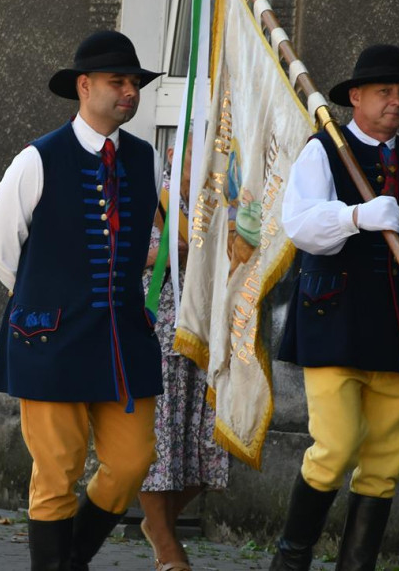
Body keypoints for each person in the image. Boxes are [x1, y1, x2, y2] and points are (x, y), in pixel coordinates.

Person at [270, 44, 399, 571]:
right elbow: (298, 225)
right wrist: (356, 217)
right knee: (335, 448)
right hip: (333, 323)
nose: (396, 102)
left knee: (385, 462)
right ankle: (291, 559)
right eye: (385, 92)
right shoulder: (323, 151)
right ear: (356, 98)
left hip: (395, 330)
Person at [0, 30, 164, 571]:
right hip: (50, 339)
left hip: (122, 341)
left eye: (134, 82)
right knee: (57, 471)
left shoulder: (144, 159)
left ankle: (72, 558)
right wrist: (46, 300)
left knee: (133, 462)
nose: (129, 91)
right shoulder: (37, 159)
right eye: (118, 82)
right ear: (84, 87)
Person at [138, 143, 229, 571]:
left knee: (208, 447)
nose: (213, 163)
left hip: (211, 335)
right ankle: (165, 543)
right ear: (174, 153)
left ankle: (158, 524)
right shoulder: (152, 194)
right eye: (201, 152)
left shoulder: (226, 202)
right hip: (160, 329)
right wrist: (176, 251)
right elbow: (117, 253)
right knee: (160, 444)